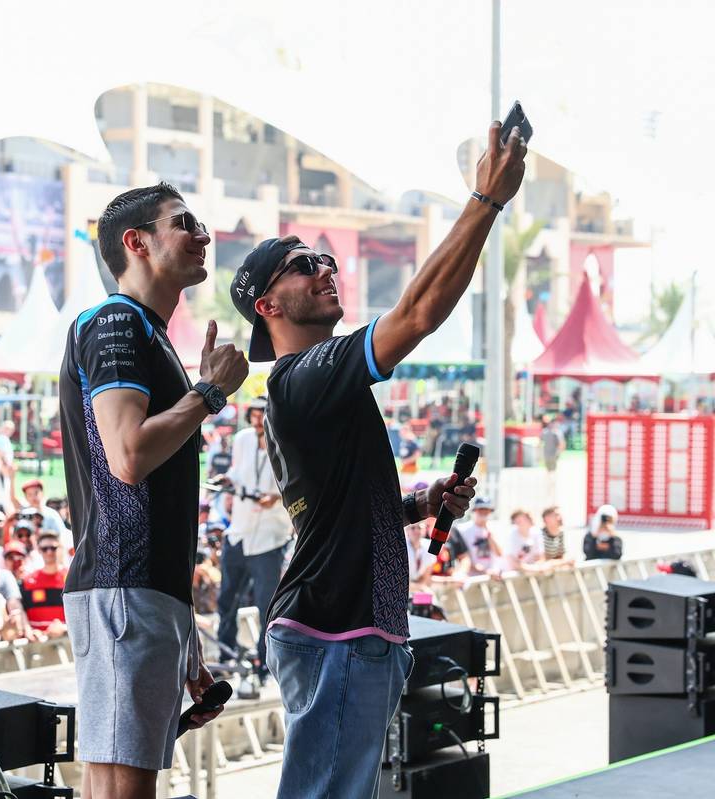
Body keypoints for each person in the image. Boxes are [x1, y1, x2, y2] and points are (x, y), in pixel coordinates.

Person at [227, 119, 519, 797]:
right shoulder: (301, 376)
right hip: (337, 630)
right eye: (303, 264)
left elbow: (341, 512)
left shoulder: (322, 386)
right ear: (268, 303)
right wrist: (486, 202)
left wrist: (421, 504)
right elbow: (416, 314)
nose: (324, 267)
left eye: (325, 258)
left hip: (355, 630)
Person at [60, 182, 246, 795]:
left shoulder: (150, 333)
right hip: (122, 588)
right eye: (182, 223)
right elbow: (129, 455)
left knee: (118, 782)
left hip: (142, 592)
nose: (204, 236)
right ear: (135, 243)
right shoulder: (115, 321)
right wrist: (210, 393)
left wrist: (183, 628)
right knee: (122, 786)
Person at [215, 397, 290, 677]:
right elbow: (237, 471)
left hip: (269, 537)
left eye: (263, 415)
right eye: (254, 415)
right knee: (227, 599)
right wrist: (227, 480)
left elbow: (296, 482)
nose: (258, 420)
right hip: (239, 530)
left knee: (265, 604)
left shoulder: (285, 440)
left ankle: (265, 664)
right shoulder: (243, 439)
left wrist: (277, 496)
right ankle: (225, 654)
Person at [19, 530, 68, 638]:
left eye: (53, 548)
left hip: (66, 640)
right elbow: (21, 609)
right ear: (39, 551)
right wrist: (29, 630)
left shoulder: (71, 579)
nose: (49, 552)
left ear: (60, 548)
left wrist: (65, 628)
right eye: (44, 549)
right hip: (37, 642)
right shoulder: (27, 581)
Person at [456, 497, 505, 576]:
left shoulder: (495, 528)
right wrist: (480, 569)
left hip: (490, 576)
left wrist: (489, 534)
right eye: (481, 509)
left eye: (486, 510)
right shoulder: (463, 530)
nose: (484, 513)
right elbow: (460, 556)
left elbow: (499, 553)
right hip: (470, 577)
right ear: (475, 510)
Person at [406, 521, 435, 591]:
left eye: (419, 527)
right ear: (407, 531)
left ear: (424, 530)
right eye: (412, 528)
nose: (416, 530)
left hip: (419, 586)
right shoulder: (402, 547)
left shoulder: (429, 546)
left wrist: (420, 587)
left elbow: (426, 575)